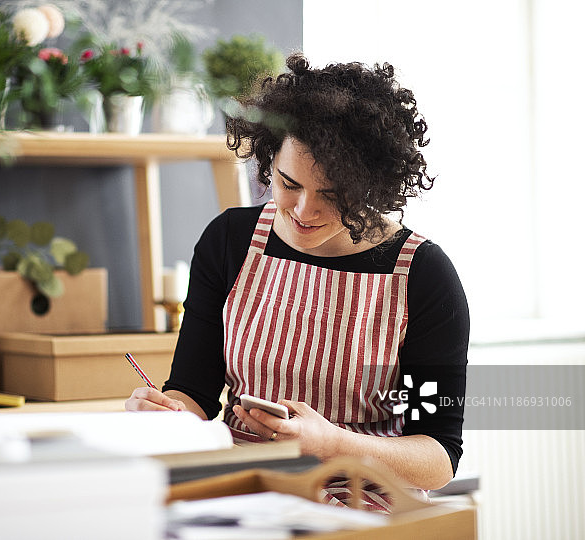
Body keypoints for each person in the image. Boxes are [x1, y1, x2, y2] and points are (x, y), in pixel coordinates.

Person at [126, 53, 468, 505]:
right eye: (289, 184)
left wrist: (332, 444)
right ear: (269, 159)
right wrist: (164, 413)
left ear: (373, 187)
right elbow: (195, 392)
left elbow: (438, 457)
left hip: (365, 500)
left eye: (333, 195)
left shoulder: (423, 277)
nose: (305, 211)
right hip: (242, 489)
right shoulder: (230, 240)